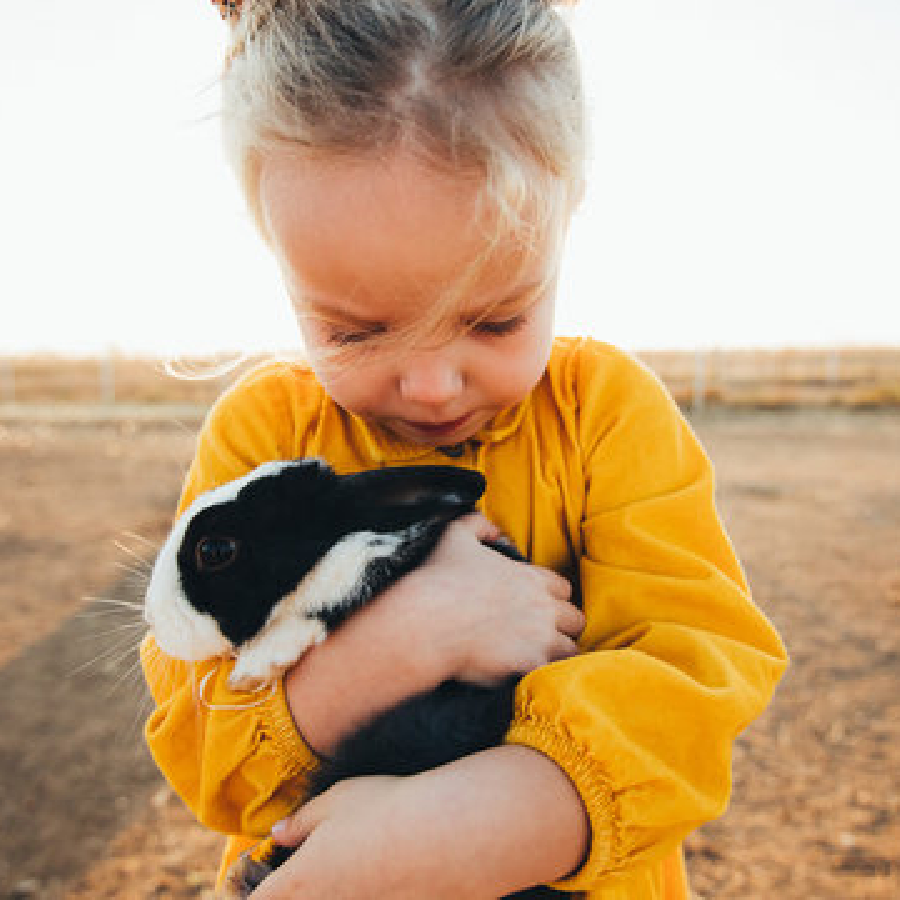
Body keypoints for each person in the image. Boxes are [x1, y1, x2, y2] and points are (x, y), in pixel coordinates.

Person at [140, 1, 788, 897]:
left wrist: (466, 827)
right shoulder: (265, 436)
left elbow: (692, 673)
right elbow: (195, 736)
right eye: (355, 330)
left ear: (569, 213)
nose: (435, 386)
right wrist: (395, 647)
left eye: (497, 318)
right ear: (276, 250)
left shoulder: (604, 413)